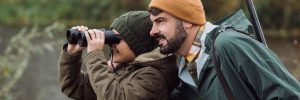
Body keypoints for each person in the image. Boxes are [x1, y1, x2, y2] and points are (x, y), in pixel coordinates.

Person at [147, 0, 300, 99]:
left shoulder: (228, 44)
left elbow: (289, 95)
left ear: (187, 21)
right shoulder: (185, 64)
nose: (152, 31)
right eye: (153, 23)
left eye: (160, 21)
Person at [58, 11, 179, 100]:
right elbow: (73, 87)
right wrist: (73, 53)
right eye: (111, 37)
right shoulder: (124, 68)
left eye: (117, 39)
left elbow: (113, 97)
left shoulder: (153, 78)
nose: (111, 44)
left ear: (139, 44)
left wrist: (95, 57)